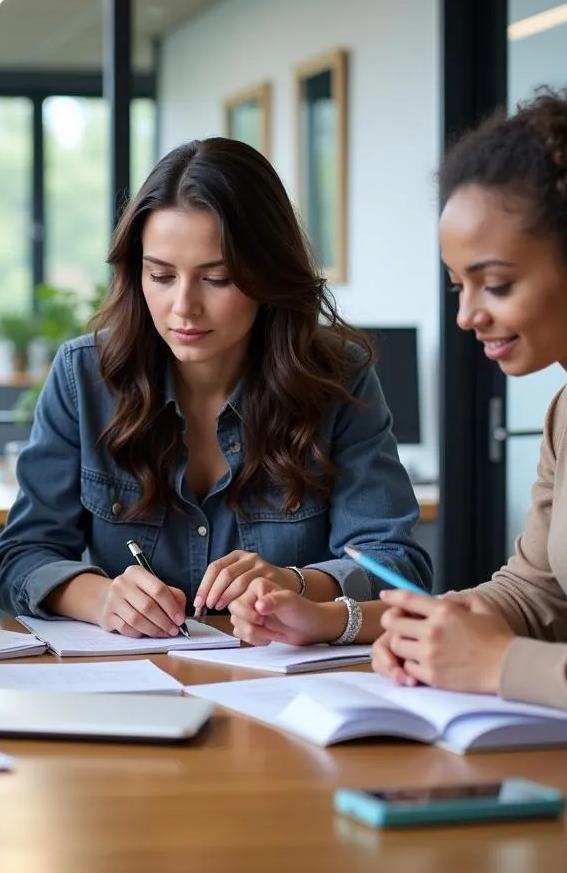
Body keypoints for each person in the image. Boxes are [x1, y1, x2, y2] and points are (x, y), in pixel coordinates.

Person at [0, 137, 432, 638]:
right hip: (133, 690)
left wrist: (297, 583)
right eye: (160, 275)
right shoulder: (84, 375)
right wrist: (102, 597)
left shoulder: (337, 377)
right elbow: (21, 558)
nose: (183, 307)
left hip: (291, 690)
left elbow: (397, 567)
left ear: (267, 275)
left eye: (216, 279)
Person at [228, 90, 567, 711]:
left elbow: (513, 641)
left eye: (496, 284)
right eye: (458, 285)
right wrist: (357, 623)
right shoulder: (562, 415)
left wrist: (497, 663)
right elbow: (534, 595)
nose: (467, 315)